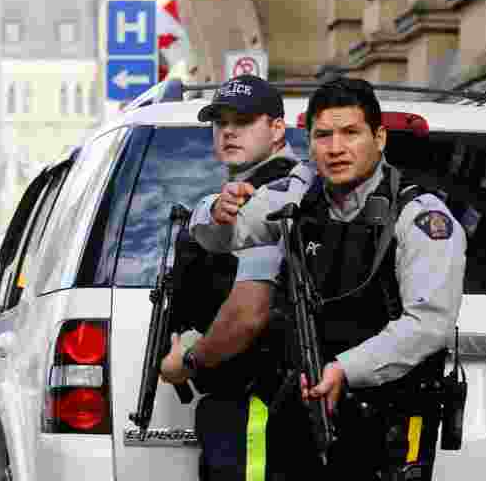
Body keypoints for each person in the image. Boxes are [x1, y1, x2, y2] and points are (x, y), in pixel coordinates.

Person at [190, 76, 465, 480]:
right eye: (323, 135)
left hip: (387, 420)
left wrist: (344, 369)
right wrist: (216, 210)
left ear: (380, 137)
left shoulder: (419, 216)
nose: (335, 148)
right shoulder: (299, 197)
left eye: (350, 133)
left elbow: (429, 324)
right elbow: (223, 236)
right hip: (303, 410)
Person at [159, 74, 300, 481]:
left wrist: (188, 359)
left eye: (244, 120)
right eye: (220, 122)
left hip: (259, 399)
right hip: (249, 398)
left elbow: (249, 313)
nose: (229, 131)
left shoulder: (271, 196)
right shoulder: (240, 192)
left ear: (277, 128)